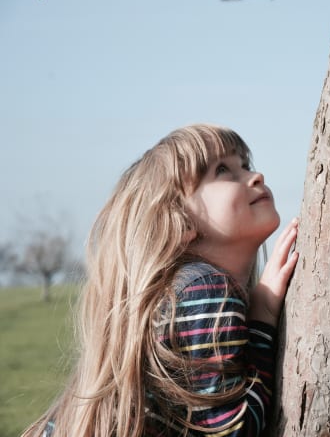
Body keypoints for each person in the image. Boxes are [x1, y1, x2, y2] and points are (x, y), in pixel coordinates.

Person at [21, 124, 299, 437]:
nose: (256, 176)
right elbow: (235, 431)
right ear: (178, 221)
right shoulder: (205, 291)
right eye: (223, 169)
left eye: (245, 165)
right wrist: (262, 319)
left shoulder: (186, 291)